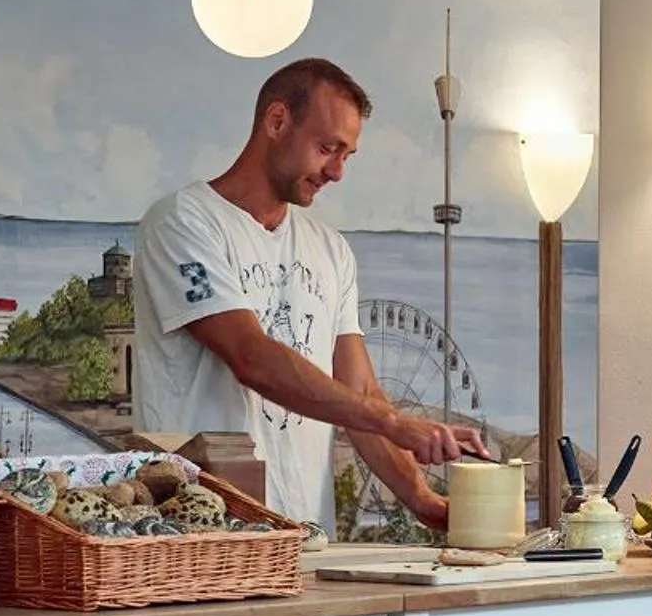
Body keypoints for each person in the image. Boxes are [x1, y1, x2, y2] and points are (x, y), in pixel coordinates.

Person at [134, 58, 483, 532]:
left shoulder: (331, 250)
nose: (337, 172)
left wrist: (424, 501)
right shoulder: (182, 223)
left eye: (347, 156)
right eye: (327, 148)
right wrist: (397, 424)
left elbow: (359, 394)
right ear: (277, 121)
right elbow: (251, 356)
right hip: (202, 540)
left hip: (306, 538)